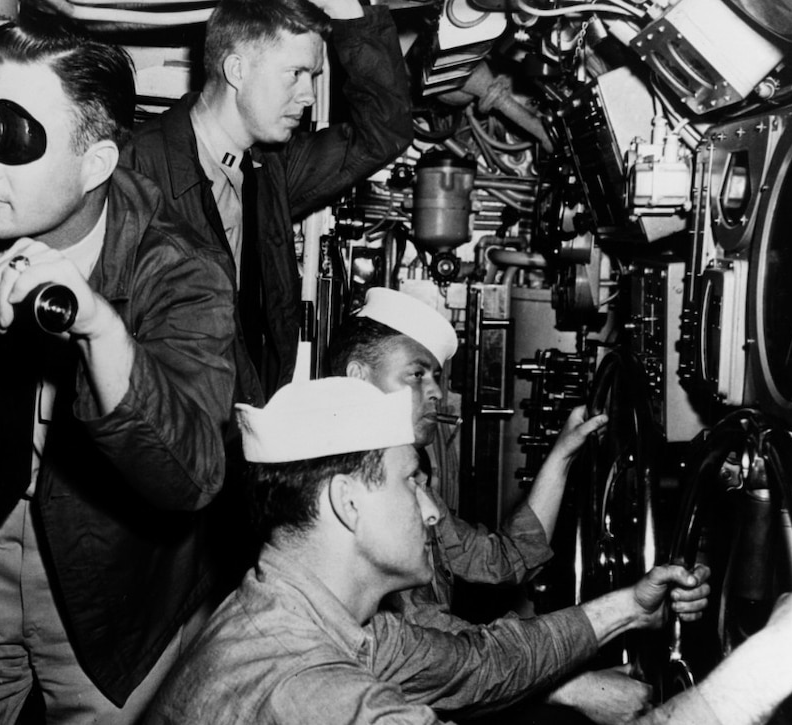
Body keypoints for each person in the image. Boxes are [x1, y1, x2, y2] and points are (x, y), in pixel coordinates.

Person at [141, 376, 713, 724]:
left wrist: (629, 609)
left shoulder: (306, 615)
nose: (433, 510)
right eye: (412, 481)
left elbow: (482, 662)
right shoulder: (320, 698)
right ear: (348, 503)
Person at [0, 17, 234, 724]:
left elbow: (192, 472)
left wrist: (100, 326)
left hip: (113, 585)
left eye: (13, 136)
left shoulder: (181, 270)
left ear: (95, 163)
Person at [329, 287, 653, 723]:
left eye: (438, 378)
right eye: (417, 375)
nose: (436, 394)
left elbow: (499, 560)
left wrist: (563, 455)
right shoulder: (349, 498)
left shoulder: (411, 477)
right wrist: (570, 686)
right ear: (357, 377)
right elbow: (427, 650)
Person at [118, 0, 412, 405]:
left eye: (313, 77)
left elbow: (384, 132)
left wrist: (349, 12)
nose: (308, 95)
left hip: (242, 432)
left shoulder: (270, 169)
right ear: (237, 70)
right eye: (295, 74)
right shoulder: (133, 172)